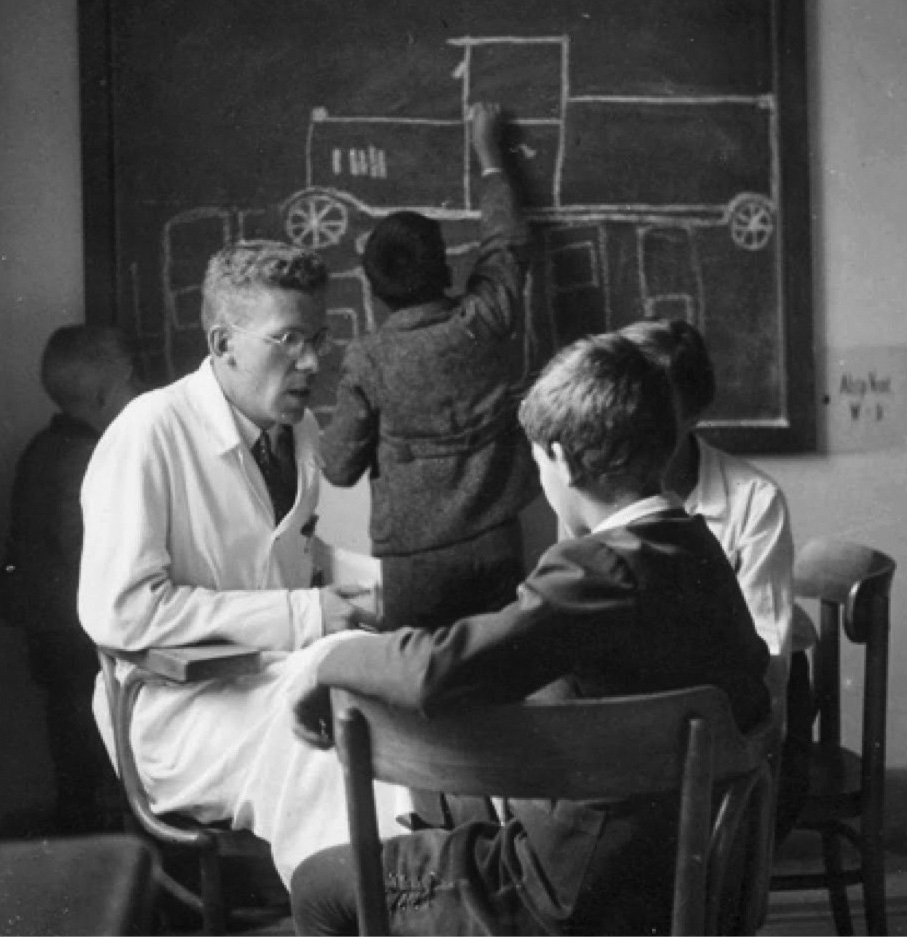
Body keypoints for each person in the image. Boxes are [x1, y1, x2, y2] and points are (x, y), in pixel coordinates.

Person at [289, 333, 771, 936]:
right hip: (694, 887)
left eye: (540, 462)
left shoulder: (600, 568)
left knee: (320, 882)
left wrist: (328, 663)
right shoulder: (697, 548)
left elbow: (438, 671)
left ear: (564, 462)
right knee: (448, 809)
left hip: (571, 896)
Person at [77, 240, 402, 888]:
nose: (311, 361)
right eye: (286, 340)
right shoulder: (149, 431)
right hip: (174, 707)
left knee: (392, 705)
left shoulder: (298, 431)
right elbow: (123, 611)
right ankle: (360, 906)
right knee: (333, 731)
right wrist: (306, 613)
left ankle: (408, 902)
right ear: (223, 343)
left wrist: (391, 585)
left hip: (260, 679)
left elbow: (291, 553)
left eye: (316, 336)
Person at [320, 101, 540, 632]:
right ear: (445, 267)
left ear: (372, 287)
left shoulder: (368, 361)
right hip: (497, 540)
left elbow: (338, 468)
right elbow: (507, 243)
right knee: (501, 686)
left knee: (424, 695)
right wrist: (490, 158)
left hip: (414, 563)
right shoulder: (484, 319)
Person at [619, 317, 810, 841]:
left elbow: (766, 666)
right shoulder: (598, 488)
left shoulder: (753, 500)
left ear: (695, 412)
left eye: (660, 405)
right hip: (645, 727)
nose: (638, 420)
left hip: (737, 731)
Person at [1, 324, 142, 835]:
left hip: (50, 632)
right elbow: (89, 553)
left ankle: (91, 846)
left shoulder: (43, 446)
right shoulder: (91, 458)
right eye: (133, 385)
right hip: (80, 635)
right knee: (101, 750)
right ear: (106, 395)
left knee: (74, 752)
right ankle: (115, 865)